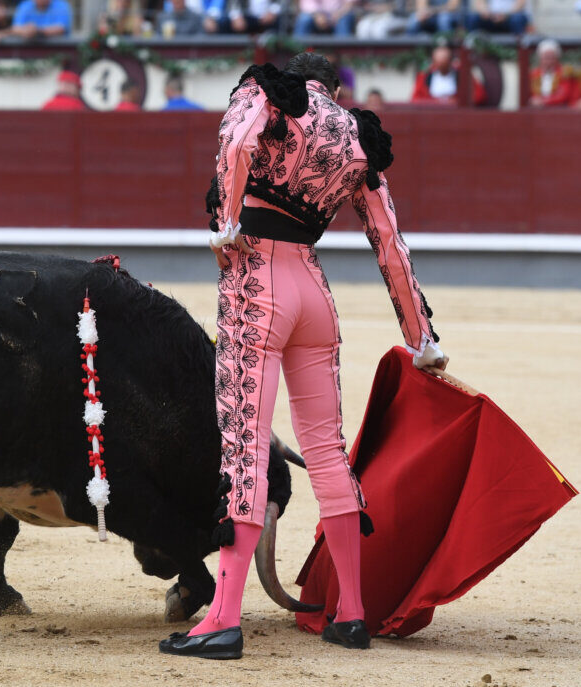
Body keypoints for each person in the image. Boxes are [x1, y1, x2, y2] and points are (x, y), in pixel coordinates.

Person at [159, 51, 445, 660]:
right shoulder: (355, 137)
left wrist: (226, 226)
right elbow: (389, 242)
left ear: (301, 75)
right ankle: (351, 615)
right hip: (314, 294)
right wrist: (422, 338)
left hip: (256, 282)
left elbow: (236, 145)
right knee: (326, 448)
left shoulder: (270, 95)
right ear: (336, 86)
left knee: (244, 444)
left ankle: (224, 619)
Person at [410, 44, 485, 105]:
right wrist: (434, 102)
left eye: (443, 63)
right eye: (438, 63)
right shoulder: (424, 78)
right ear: (434, 63)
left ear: (450, 62)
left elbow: (479, 96)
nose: (440, 67)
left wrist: (457, 101)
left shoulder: (462, 76)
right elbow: (415, 100)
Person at [0, 0, 72, 44]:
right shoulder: (26, 5)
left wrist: (37, 30)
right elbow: (16, 28)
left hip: (57, 53)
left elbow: (61, 28)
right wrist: (26, 30)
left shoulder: (61, 5)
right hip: (28, 55)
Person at [528, 39, 576, 107]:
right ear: (540, 58)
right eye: (546, 58)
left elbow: (564, 94)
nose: (549, 62)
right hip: (536, 110)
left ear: (557, 58)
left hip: (559, 110)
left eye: (552, 58)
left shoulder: (565, 73)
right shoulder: (532, 74)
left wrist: (544, 101)